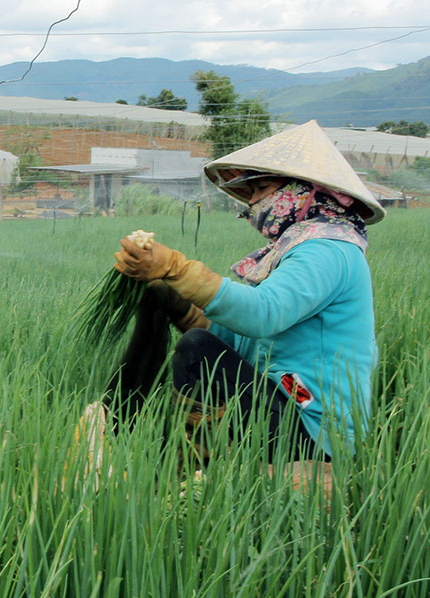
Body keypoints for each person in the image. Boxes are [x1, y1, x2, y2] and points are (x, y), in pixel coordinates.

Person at [104, 120, 384, 464]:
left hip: (316, 430)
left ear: (306, 190)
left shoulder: (327, 250)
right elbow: (249, 344)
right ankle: (116, 424)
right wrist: (174, 294)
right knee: (159, 294)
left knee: (196, 350)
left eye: (261, 189)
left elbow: (263, 315)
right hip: (283, 402)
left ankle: (185, 468)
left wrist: (177, 268)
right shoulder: (297, 246)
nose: (251, 203)